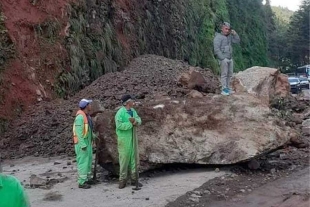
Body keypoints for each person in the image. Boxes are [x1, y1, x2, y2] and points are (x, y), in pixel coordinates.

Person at [115, 94, 142, 189]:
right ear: (127, 103)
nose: (133, 102)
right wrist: (131, 124)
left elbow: (139, 120)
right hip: (124, 140)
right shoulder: (120, 113)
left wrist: (136, 121)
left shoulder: (133, 111)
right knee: (124, 160)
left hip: (133, 138)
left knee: (134, 159)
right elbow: (119, 126)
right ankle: (122, 180)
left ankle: (134, 179)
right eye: (131, 100)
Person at [73, 98, 96, 189]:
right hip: (82, 143)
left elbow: (88, 130)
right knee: (83, 162)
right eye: (89, 104)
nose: (91, 106)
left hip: (87, 142)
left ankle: (87, 178)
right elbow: (79, 133)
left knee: (88, 160)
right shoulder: (80, 117)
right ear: (86, 106)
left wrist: (94, 137)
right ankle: (82, 182)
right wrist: (83, 145)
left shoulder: (86, 116)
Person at [213, 22, 240, 96]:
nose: (227, 30)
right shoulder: (218, 37)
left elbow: (237, 41)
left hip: (230, 58)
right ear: (222, 28)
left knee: (230, 74)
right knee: (224, 74)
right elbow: (216, 50)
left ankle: (228, 88)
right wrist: (222, 58)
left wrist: (235, 34)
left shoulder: (229, 37)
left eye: (228, 29)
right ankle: (223, 89)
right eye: (226, 29)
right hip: (223, 59)